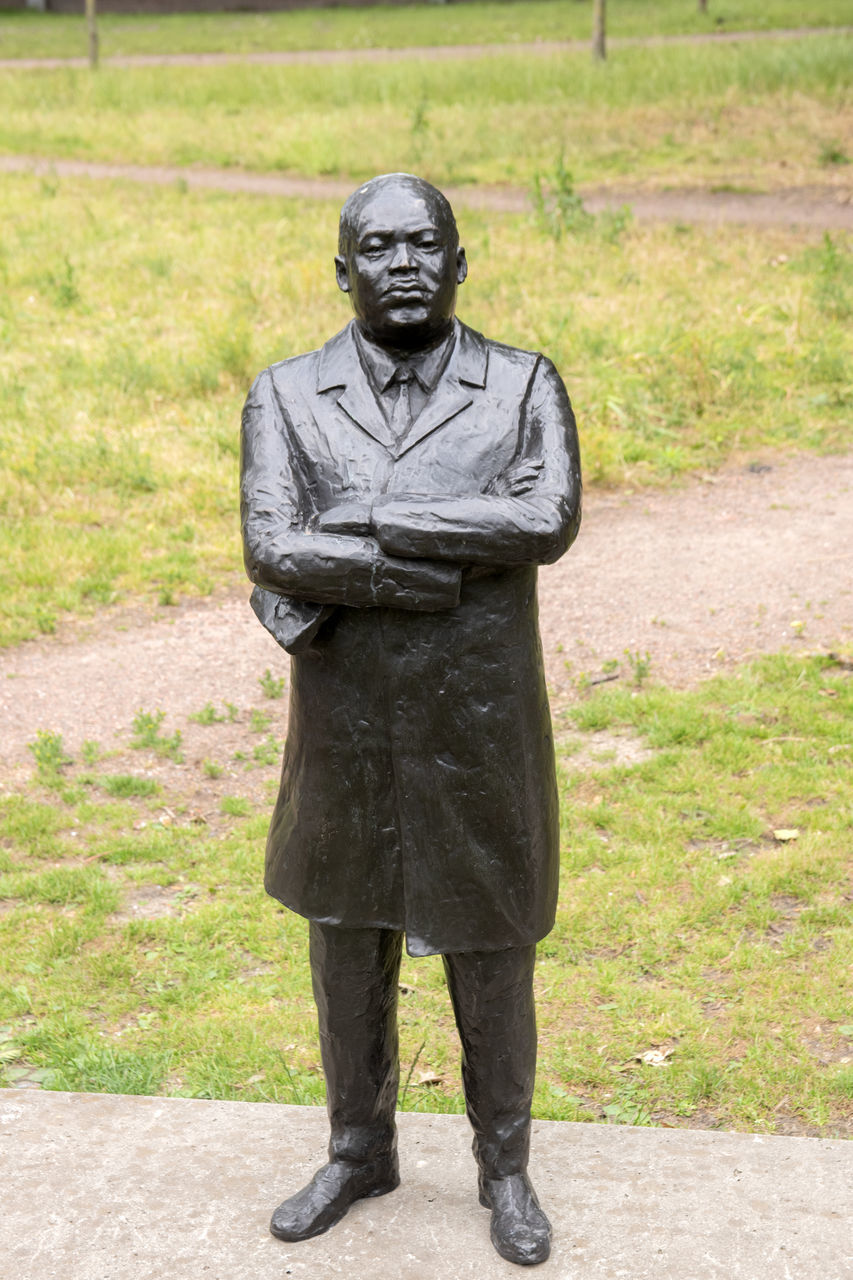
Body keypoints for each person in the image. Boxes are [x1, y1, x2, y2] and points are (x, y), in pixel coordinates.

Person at [240, 172, 581, 1267]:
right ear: (343, 271)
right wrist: (433, 576)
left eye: (423, 245)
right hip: (344, 726)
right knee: (344, 942)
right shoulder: (285, 395)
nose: (401, 264)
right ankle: (357, 1145)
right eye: (376, 248)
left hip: (478, 725)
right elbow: (275, 551)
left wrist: (375, 514)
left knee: (490, 946)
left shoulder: (523, 382)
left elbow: (544, 518)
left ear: (460, 261)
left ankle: (506, 1163)